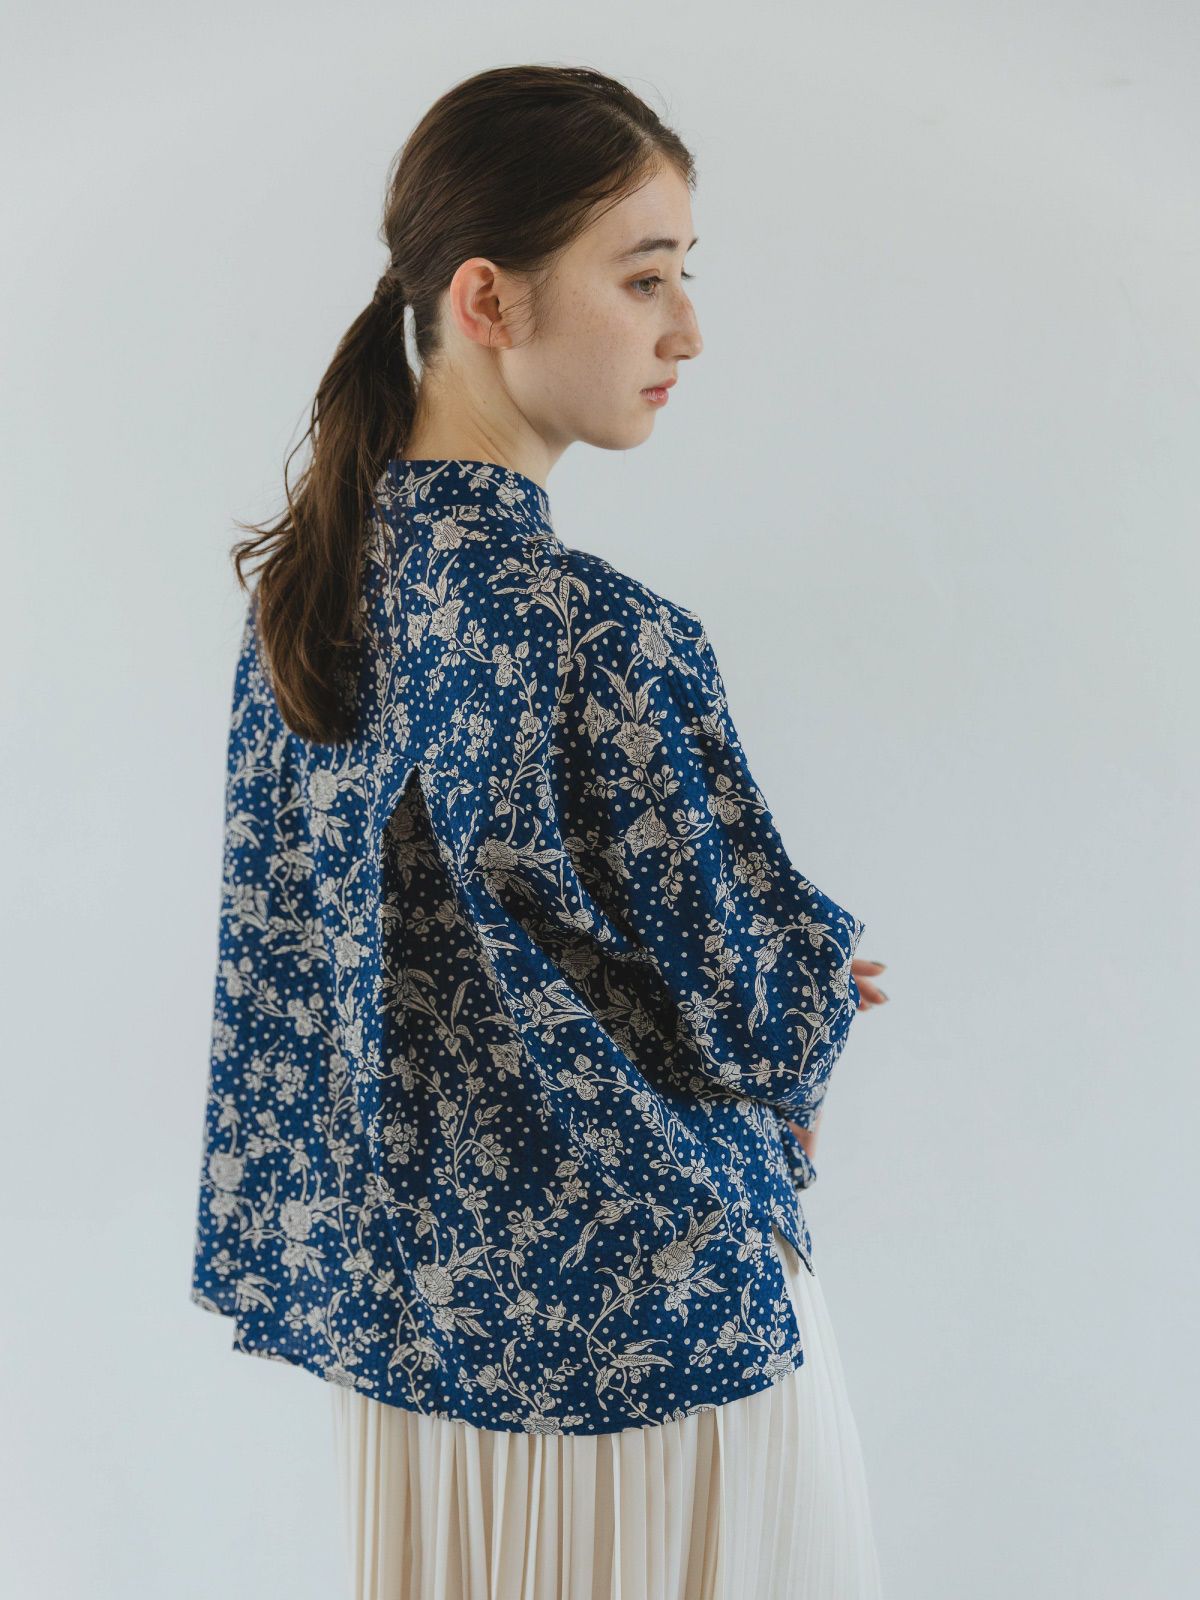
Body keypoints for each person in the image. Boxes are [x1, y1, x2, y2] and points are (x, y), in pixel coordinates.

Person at [190, 62, 890, 1600]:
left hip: (419, 1358)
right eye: (645, 278)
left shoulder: (309, 607)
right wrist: (817, 982)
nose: (686, 330)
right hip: (656, 1352)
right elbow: (757, 1013)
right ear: (487, 299)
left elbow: (309, 985)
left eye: (686, 277)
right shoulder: (596, 633)